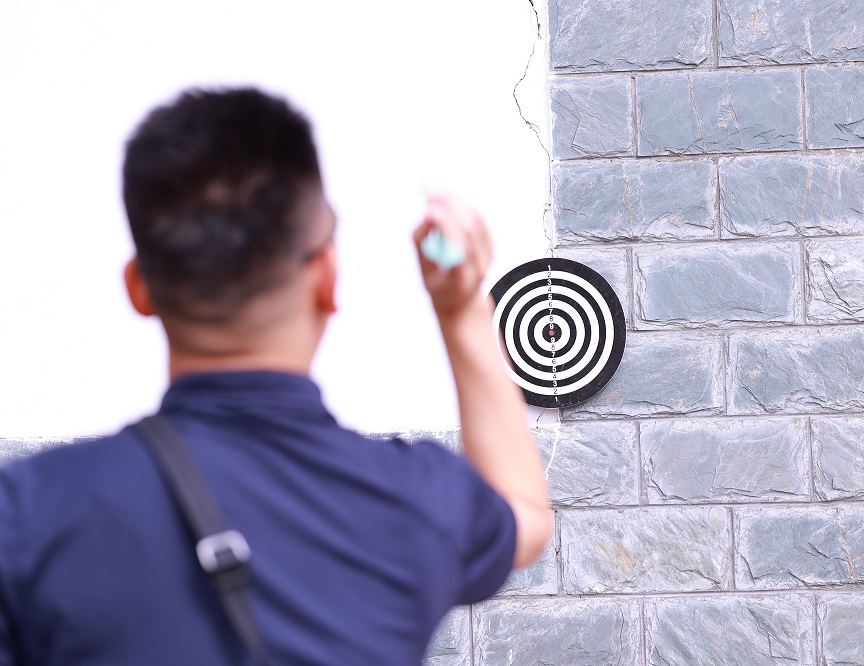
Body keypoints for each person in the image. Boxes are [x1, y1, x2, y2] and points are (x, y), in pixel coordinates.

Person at [0, 88, 552, 664]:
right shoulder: (414, 498)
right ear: (327, 279)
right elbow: (523, 510)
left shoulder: (25, 514)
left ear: (139, 289)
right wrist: (461, 310)